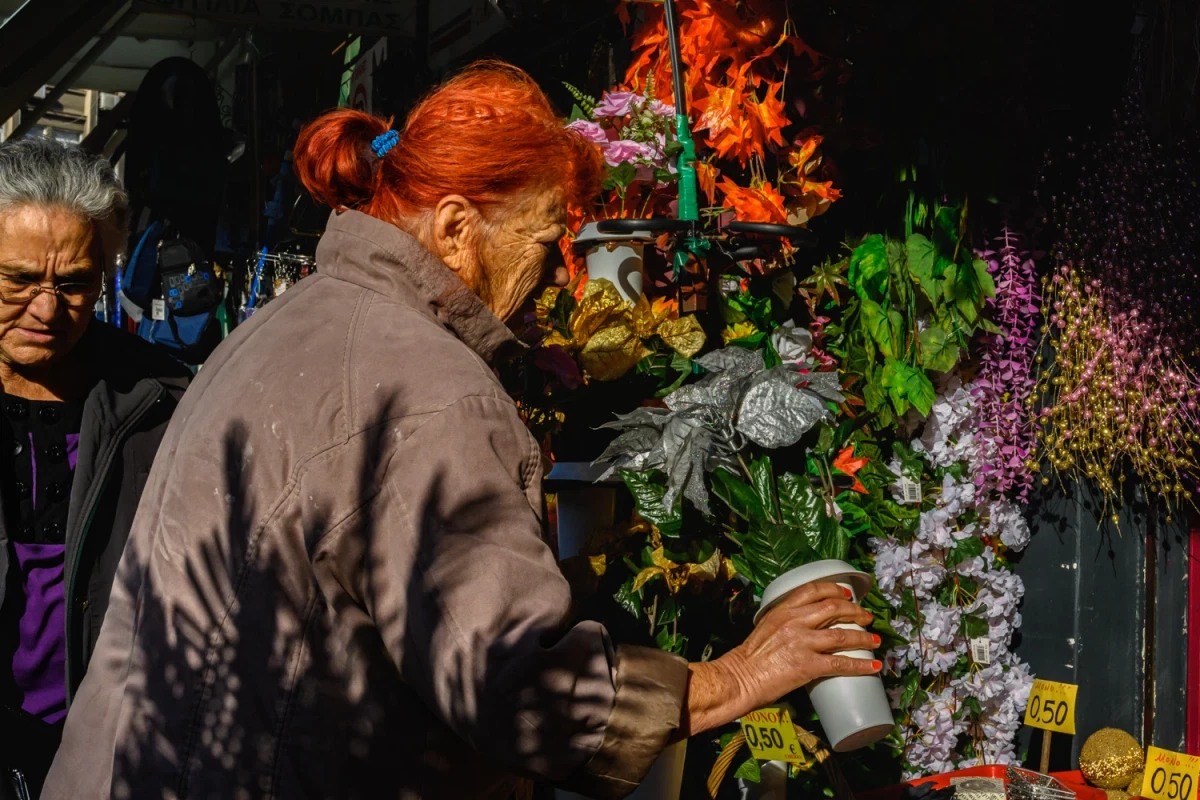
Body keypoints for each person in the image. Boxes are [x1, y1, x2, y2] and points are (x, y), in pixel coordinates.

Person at [45, 63, 881, 800]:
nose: (557, 274)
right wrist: (737, 675)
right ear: (453, 228)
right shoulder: (427, 386)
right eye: (546, 240)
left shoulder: (291, 322)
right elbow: (519, 688)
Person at [0, 139, 189, 798]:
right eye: (18, 279)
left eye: (74, 283)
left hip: (107, 752)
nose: (47, 309)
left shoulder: (160, 401)